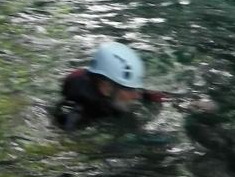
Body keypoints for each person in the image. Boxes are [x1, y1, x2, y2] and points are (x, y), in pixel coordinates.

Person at [54, 40, 215, 129]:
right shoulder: (74, 113)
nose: (136, 94)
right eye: (130, 89)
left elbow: (147, 94)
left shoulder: (113, 88)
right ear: (106, 87)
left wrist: (188, 103)